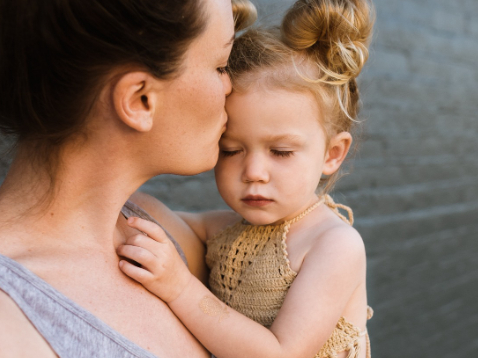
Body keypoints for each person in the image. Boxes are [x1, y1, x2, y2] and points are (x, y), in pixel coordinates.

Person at [0, 0, 256, 356]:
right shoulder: (10, 325)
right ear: (140, 100)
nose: (231, 87)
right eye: (221, 66)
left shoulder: (159, 230)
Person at [120, 0, 375, 357]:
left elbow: (281, 353)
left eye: (281, 152)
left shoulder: (333, 245)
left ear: (332, 154)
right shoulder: (226, 230)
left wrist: (179, 287)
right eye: (231, 150)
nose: (253, 172)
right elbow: (162, 219)